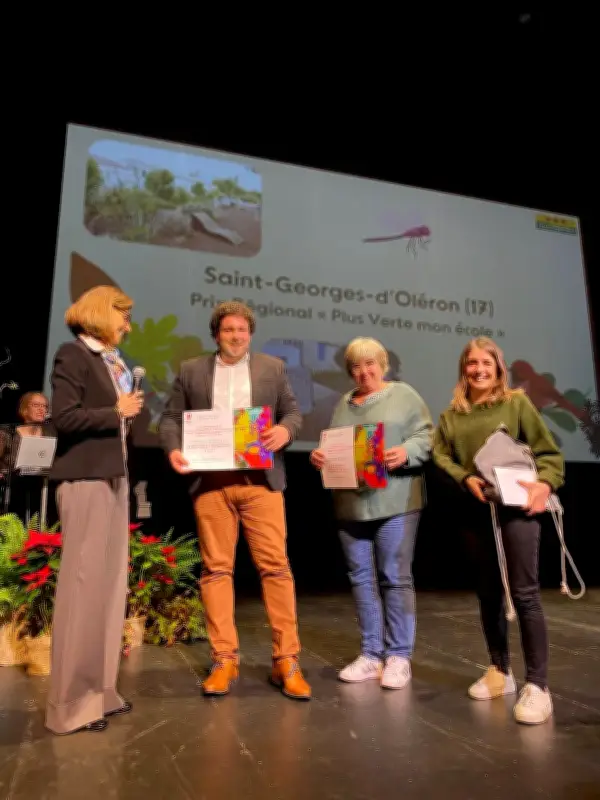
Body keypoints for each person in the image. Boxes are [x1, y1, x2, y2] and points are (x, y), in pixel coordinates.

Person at [159, 300, 310, 700]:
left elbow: (293, 412)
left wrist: (284, 431)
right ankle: (224, 659)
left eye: (242, 330)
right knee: (216, 571)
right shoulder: (192, 370)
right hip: (210, 483)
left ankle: (286, 661)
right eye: (228, 330)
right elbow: (171, 418)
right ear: (216, 334)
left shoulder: (271, 368)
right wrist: (173, 449)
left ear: (250, 334)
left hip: (260, 482)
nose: (236, 336)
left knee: (276, 568)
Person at [433, 336, 564, 725]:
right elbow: (440, 453)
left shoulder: (517, 403)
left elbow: (549, 454)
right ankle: (499, 670)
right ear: (464, 369)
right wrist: (463, 477)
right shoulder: (451, 416)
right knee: (489, 594)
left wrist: (546, 484)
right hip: (478, 513)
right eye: (472, 364)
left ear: (498, 368)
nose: (479, 370)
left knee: (523, 593)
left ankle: (538, 686)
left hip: (518, 509)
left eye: (486, 363)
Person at [45, 286, 144, 735]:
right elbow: (64, 418)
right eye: (124, 315)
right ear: (104, 313)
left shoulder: (115, 363)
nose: (128, 324)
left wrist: (122, 413)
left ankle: (101, 691)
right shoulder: (73, 354)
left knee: (108, 587)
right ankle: (70, 706)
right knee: (83, 588)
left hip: (114, 476)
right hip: (84, 479)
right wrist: (114, 411)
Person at [310, 337, 433, 689]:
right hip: (351, 504)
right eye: (356, 367)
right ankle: (370, 654)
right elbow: (336, 445)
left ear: (384, 365)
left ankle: (398, 657)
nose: (364, 372)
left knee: (395, 577)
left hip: (395, 501)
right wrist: (320, 456)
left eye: (370, 364)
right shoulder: (343, 404)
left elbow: (426, 437)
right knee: (361, 579)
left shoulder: (404, 396)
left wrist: (405, 451)